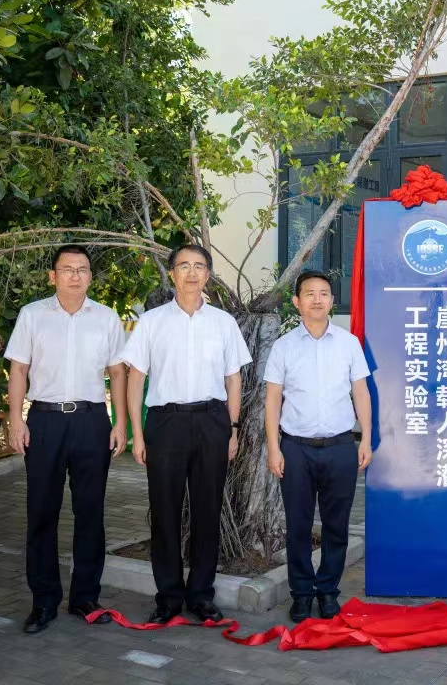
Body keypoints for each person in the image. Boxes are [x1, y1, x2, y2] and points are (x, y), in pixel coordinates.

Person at [121, 244, 252, 624]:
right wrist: (137, 434)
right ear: (172, 274)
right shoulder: (152, 322)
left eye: (199, 266)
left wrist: (232, 429)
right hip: (166, 423)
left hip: (212, 421)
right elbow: (136, 379)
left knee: (208, 511)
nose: (192, 273)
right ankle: (168, 597)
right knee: (164, 511)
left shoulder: (223, 323)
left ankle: (201, 596)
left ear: (207, 274)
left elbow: (233, 379)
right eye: (183, 266)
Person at [4, 245, 129, 634]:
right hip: (45, 421)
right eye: (67, 269)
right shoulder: (32, 315)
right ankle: (43, 601)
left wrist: (120, 422)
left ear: (90, 276)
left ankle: (85, 597)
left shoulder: (106, 318)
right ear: (53, 276)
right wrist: (16, 419)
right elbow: (18, 370)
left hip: (92, 421)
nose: (75, 275)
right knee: (42, 511)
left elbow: (118, 373)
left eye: (82, 269)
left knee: (90, 512)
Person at [264, 271, 372, 623]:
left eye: (323, 293)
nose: (317, 299)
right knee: (297, 525)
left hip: (340, 446)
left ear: (331, 301)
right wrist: (273, 447)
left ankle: (327, 591)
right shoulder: (283, 346)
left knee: (336, 525)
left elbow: (360, 392)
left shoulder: (348, 343)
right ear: (297, 302)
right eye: (309, 293)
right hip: (295, 448)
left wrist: (366, 438)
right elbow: (273, 400)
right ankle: (301, 593)